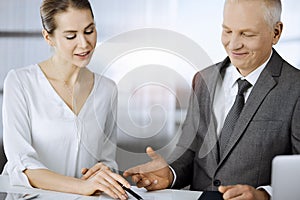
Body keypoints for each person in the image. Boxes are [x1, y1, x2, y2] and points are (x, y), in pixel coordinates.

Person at [124, 0, 300, 199]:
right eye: (227, 31)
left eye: (247, 34)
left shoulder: (295, 88)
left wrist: (265, 195)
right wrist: (170, 174)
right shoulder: (203, 79)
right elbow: (189, 150)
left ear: (276, 32)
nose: (233, 44)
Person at [1, 0, 130, 199]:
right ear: (48, 37)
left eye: (89, 31)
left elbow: (107, 160)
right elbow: (22, 165)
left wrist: (103, 173)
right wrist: (81, 186)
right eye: (71, 36)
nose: (84, 44)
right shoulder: (20, 83)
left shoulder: (107, 89)